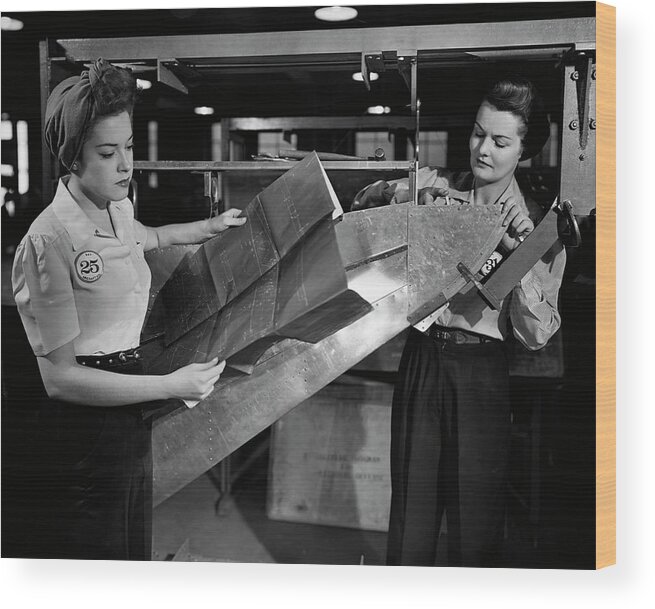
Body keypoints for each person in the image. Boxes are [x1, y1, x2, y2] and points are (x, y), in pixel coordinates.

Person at [7, 59, 246, 560]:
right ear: (72, 158)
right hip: (86, 425)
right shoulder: (49, 241)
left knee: (133, 543)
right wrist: (171, 386)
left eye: (130, 148)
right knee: (99, 554)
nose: (126, 165)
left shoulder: (119, 208)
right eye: (108, 152)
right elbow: (60, 379)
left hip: (129, 406)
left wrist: (211, 226)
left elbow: (150, 239)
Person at [354, 76, 566, 567]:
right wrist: (401, 197)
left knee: (475, 524)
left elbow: (537, 334)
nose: (482, 149)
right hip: (422, 360)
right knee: (412, 512)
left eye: (499, 141)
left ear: (523, 150)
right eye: (477, 134)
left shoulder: (538, 225)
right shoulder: (437, 186)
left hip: (481, 375)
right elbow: (364, 204)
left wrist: (522, 255)